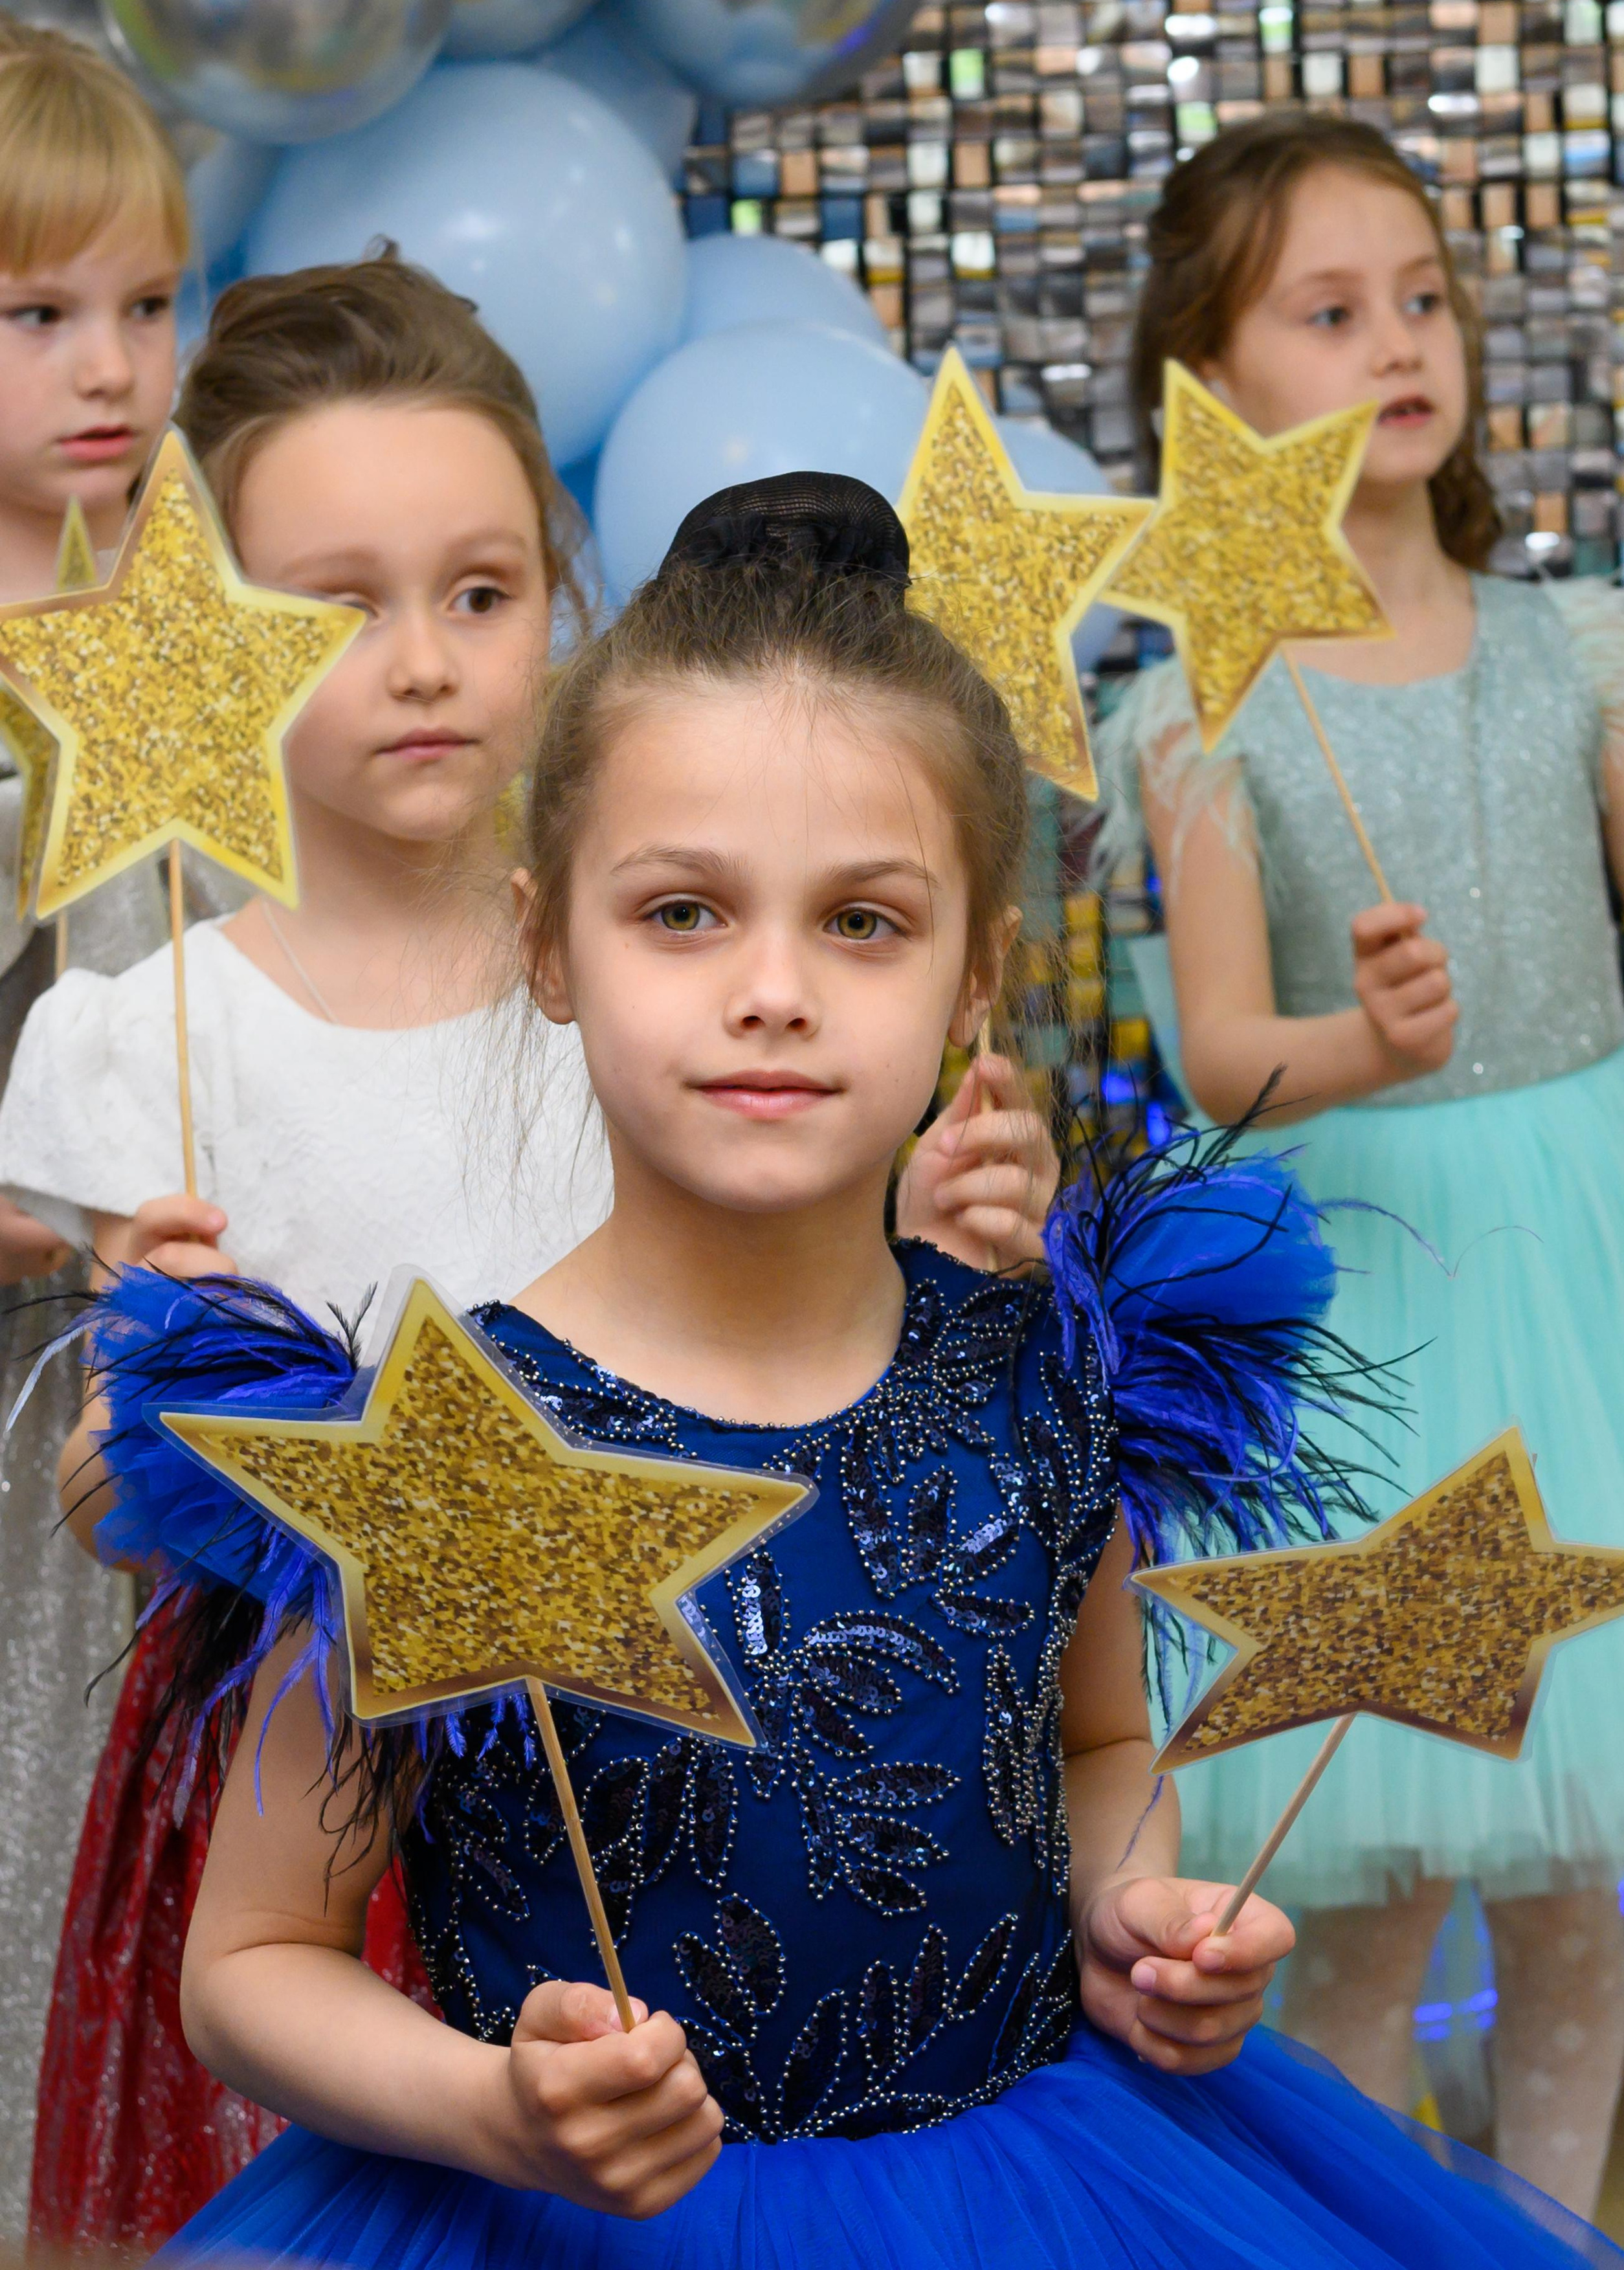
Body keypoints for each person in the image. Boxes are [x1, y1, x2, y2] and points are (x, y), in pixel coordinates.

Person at [80, 472, 1624, 2269]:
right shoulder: (434, 1455)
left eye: (861, 923)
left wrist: (1134, 1919)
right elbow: (251, 1964)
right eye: (683, 913)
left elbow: (1106, 1743)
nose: (772, 991)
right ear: (545, 945)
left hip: (1039, 2190)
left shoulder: (1053, 1381)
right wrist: (492, 2106)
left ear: (977, 976)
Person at [5, 267, 1049, 2253]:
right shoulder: (153, 1040)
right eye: (337, 609)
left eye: (480, 596)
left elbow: (815, 1345)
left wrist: (936, 1229)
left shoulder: (682, 976)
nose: (421, 662)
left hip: (711, 1721)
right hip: (345, 1774)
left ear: (557, 611)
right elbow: (137, 1487)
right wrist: (141, 1468)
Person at [1094, 111, 1624, 2214]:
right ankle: (1356, 2234)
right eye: (1330, 313)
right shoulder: (1206, 709)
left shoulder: (1575, 648)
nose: (1399, 341)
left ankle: (1552, 2233)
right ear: (1211, 386)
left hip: (1598, 1268)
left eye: (1422, 297)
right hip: (1388, 1294)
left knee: (1573, 1871)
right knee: (1387, 1860)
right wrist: (1364, 1038)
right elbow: (1222, 1059)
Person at [0, 13, 189, 2232]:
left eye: (148, 306)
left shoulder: (211, 643)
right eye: (37, 313)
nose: (108, 367)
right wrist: (67, 1237)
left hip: (212, 1399)